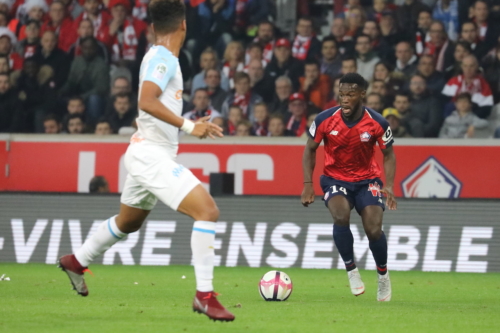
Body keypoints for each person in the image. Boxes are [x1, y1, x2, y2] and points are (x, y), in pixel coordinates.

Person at [57, 0, 234, 322]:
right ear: (183, 25)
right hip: (150, 154)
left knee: (129, 222)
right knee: (207, 211)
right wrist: (191, 126)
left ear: (153, 27)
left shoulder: (159, 56)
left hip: (146, 151)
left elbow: (153, 105)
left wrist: (186, 122)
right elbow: (146, 100)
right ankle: (204, 296)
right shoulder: (164, 58)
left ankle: (77, 260)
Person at [301, 72, 396, 302]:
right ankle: (352, 270)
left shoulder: (378, 123)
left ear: (362, 94)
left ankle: (382, 275)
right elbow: (309, 149)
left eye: (350, 94)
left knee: (373, 229)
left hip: (368, 181)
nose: (344, 99)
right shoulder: (324, 119)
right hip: (335, 179)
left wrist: (390, 186)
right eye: (341, 94)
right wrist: (308, 184)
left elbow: (389, 154)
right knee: (341, 216)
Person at [60, 36, 110, 123]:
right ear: (81, 48)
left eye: (91, 48)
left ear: (95, 49)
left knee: (94, 99)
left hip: (95, 97)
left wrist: (82, 97)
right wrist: (61, 91)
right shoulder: (77, 61)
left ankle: (94, 124)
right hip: (77, 94)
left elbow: (101, 89)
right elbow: (71, 82)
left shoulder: (101, 65)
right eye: (85, 48)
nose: (88, 51)